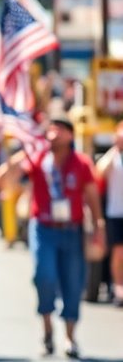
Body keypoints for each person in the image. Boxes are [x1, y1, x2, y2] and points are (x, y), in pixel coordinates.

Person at [0, 118, 106, 358]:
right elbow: (5, 178)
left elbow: (91, 194)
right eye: (50, 130)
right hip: (43, 229)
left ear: (69, 135)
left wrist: (99, 225)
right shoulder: (37, 158)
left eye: (58, 130)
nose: (52, 135)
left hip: (72, 230)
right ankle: (47, 328)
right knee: (43, 275)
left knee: (73, 282)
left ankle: (70, 337)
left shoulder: (81, 163)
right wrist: (17, 155)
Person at [95, 120, 123, 307]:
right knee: (118, 252)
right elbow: (99, 172)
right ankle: (118, 287)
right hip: (116, 212)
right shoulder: (113, 157)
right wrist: (115, 148)